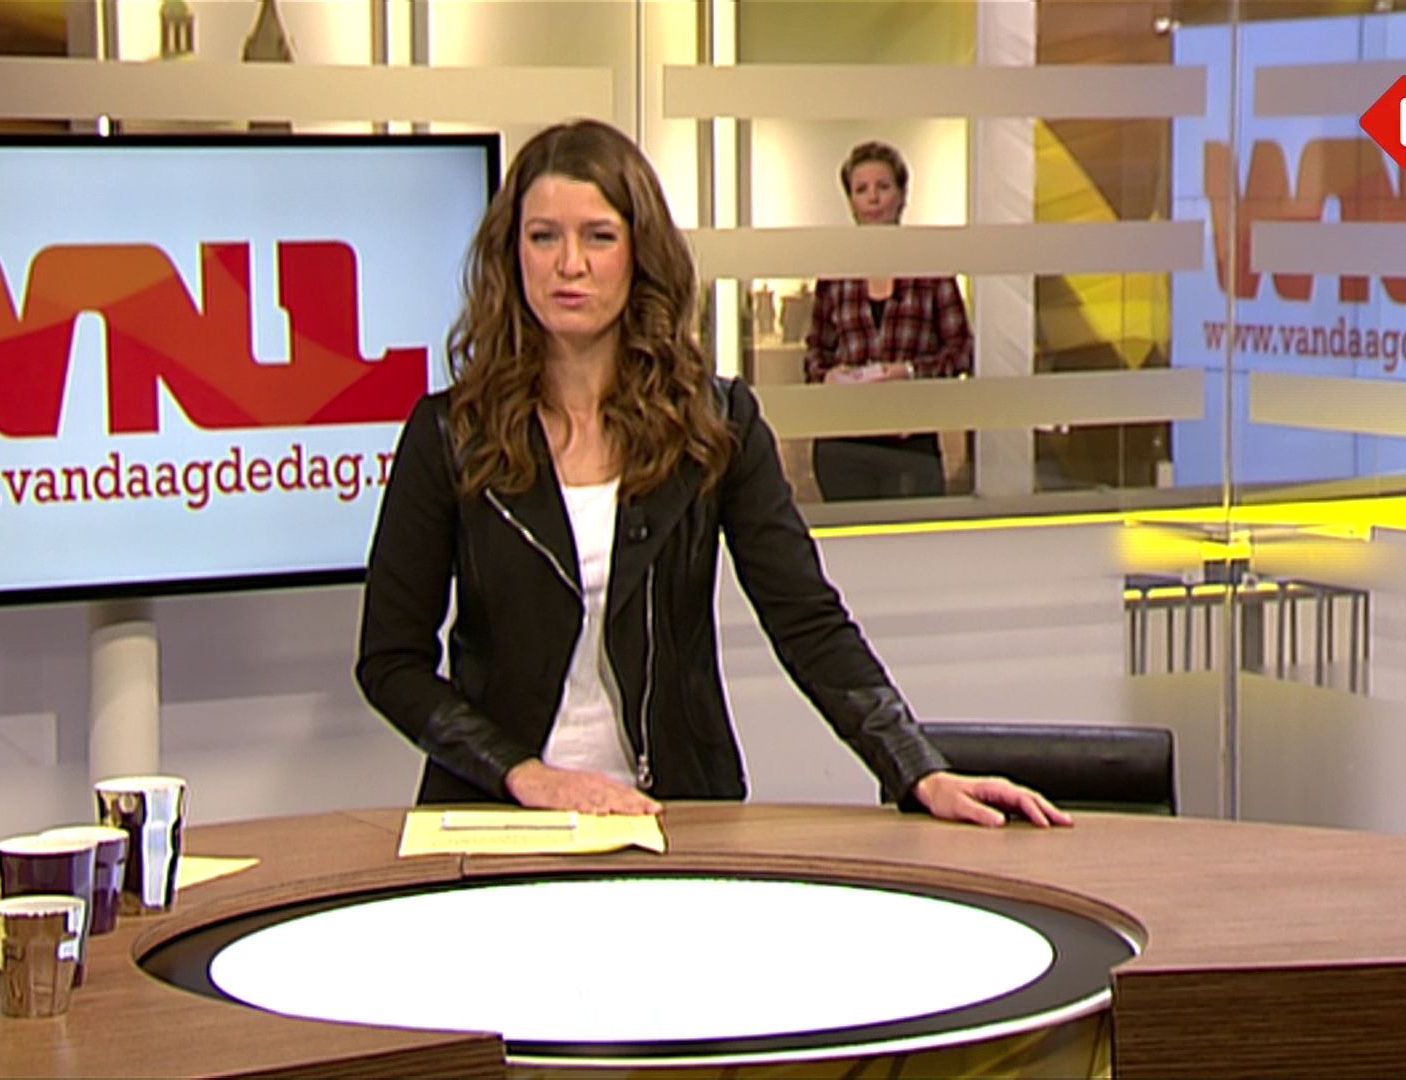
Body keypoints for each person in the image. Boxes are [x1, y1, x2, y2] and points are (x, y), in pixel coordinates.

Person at [356, 119, 1067, 828]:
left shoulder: (714, 424)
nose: (569, 263)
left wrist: (918, 768)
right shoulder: (451, 435)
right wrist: (523, 774)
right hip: (497, 814)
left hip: (675, 810)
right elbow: (390, 662)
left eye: (598, 236)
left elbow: (806, 618)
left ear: (640, 253)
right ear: (512, 254)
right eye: (544, 236)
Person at [803, 140, 973, 501]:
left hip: (909, 443)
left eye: (883, 187)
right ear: (850, 201)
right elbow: (816, 350)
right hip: (843, 444)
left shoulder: (930, 268)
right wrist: (828, 376)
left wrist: (909, 372)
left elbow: (961, 350)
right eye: (861, 190)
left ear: (901, 196)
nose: (873, 198)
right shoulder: (836, 272)